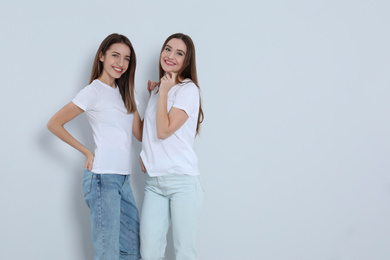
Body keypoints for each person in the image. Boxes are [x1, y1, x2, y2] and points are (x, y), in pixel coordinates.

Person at [47, 33, 142, 260]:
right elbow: (54, 124)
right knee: (107, 253)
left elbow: (140, 134)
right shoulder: (93, 91)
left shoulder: (126, 93)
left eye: (126, 58)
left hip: (123, 179)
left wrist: (157, 95)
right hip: (101, 179)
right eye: (115, 56)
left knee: (133, 249)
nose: (121, 63)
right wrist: (86, 151)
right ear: (102, 56)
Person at [139, 33, 204, 260]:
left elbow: (164, 130)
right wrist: (145, 154)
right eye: (168, 49)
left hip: (183, 182)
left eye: (179, 53)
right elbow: (147, 133)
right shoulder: (157, 90)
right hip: (154, 184)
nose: (171, 56)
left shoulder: (188, 90)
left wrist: (164, 92)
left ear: (187, 61)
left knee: (184, 252)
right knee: (149, 252)